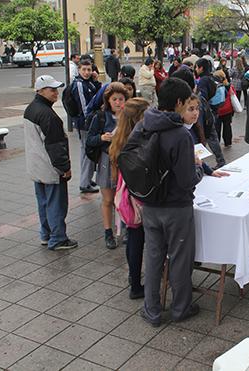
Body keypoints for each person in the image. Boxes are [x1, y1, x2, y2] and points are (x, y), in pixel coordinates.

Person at [138, 78, 204, 327]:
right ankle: (180, 307)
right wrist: (198, 169)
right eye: (187, 102)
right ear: (178, 103)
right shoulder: (180, 135)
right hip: (177, 207)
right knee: (179, 258)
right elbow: (187, 181)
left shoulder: (145, 124)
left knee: (154, 257)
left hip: (150, 204)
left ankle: (152, 310)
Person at [24, 75, 77, 251]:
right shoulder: (48, 115)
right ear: (40, 91)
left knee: (44, 203)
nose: (56, 93)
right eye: (52, 89)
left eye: (56, 89)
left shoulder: (31, 109)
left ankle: (46, 235)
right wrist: (65, 168)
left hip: (36, 165)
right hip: (50, 167)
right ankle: (58, 239)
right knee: (57, 204)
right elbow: (56, 146)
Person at [109, 98, 150, 298]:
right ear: (139, 118)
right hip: (139, 197)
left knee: (133, 238)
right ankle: (137, 286)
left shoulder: (119, 135)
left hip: (125, 195)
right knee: (141, 239)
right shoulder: (140, 139)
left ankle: (134, 280)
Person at [86, 82, 130, 249]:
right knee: (108, 199)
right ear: (108, 101)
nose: (118, 103)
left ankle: (126, 228)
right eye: (114, 99)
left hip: (125, 161)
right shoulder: (101, 117)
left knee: (124, 197)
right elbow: (89, 139)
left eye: (121, 99)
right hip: (106, 160)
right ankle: (108, 232)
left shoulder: (129, 117)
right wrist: (102, 138)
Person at [72, 60, 101, 194]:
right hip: (85, 124)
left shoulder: (88, 82)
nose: (87, 72)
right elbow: (85, 107)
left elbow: (96, 95)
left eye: (89, 69)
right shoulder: (79, 84)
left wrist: (95, 81)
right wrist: (89, 123)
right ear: (79, 70)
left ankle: (87, 179)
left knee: (87, 151)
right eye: (84, 69)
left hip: (88, 122)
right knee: (87, 152)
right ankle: (84, 183)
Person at [195, 58, 226, 167]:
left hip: (205, 112)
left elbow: (201, 97)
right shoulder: (212, 78)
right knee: (212, 137)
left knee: (203, 138)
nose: (195, 69)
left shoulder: (203, 80)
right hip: (213, 110)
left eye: (197, 67)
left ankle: (200, 164)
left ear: (201, 68)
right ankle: (221, 161)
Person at [213, 70, 234, 147]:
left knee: (217, 128)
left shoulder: (215, 86)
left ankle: (217, 143)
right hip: (228, 109)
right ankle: (228, 142)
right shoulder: (229, 86)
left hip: (218, 109)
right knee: (227, 126)